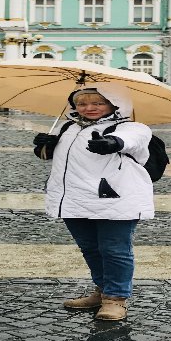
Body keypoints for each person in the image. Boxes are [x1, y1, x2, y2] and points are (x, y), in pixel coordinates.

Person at [32, 85, 154, 321]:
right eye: (82, 103)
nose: (89, 108)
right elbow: (52, 157)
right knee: (90, 248)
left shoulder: (131, 127)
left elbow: (132, 140)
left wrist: (112, 142)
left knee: (114, 250)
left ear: (114, 104)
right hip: (73, 198)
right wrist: (44, 146)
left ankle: (116, 299)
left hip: (114, 198)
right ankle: (102, 290)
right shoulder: (68, 127)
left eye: (98, 103)